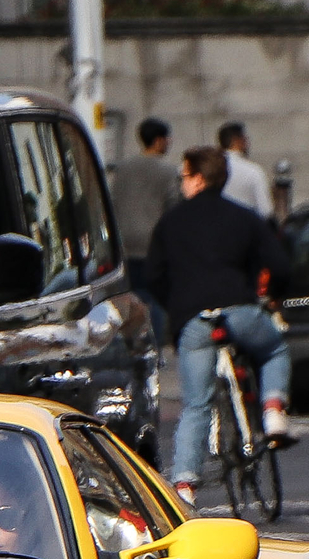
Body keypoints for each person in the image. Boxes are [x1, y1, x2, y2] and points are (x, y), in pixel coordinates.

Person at [142, 144, 295, 512]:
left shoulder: (170, 223)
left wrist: (177, 308)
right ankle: (273, 410)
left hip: (194, 320)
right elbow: (280, 264)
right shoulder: (244, 218)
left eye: (184, 176)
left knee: (197, 403)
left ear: (197, 178)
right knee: (275, 349)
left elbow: (153, 277)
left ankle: (184, 486)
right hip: (240, 312)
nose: (181, 183)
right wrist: (273, 296)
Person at [111, 119, 181, 281]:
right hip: (152, 246)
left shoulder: (122, 169)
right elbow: (173, 207)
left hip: (123, 244)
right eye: (167, 139)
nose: (169, 143)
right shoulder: (169, 171)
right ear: (158, 141)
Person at [216, 122, 271, 218]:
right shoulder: (253, 171)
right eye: (245, 139)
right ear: (237, 141)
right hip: (245, 227)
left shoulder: (211, 170)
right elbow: (265, 211)